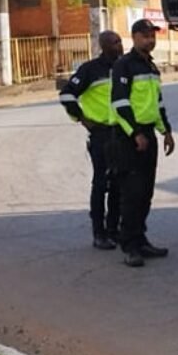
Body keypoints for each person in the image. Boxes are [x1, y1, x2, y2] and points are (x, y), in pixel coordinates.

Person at [111, 19, 176, 268]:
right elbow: (120, 104)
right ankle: (129, 246)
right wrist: (135, 133)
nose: (151, 40)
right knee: (131, 193)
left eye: (153, 36)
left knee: (146, 192)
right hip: (129, 137)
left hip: (148, 135)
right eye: (146, 35)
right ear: (135, 37)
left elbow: (156, 104)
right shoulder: (124, 66)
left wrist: (166, 131)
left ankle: (141, 239)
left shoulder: (151, 67)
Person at [59, 30, 124, 250]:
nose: (120, 45)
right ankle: (99, 232)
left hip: (121, 132)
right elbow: (67, 94)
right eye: (115, 42)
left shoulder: (122, 67)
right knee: (101, 183)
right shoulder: (90, 69)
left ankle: (114, 230)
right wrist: (82, 118)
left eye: (120, 41)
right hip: (101, 134)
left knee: (118, 183)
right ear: (104, 46)